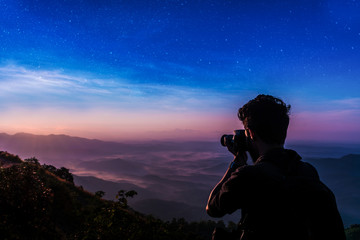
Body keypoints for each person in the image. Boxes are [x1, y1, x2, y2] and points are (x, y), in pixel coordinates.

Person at [206, 94, 345, 240]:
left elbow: (212, 208)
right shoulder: (307, 171)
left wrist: (237, 162)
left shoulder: (247, 176)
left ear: (251, 133)